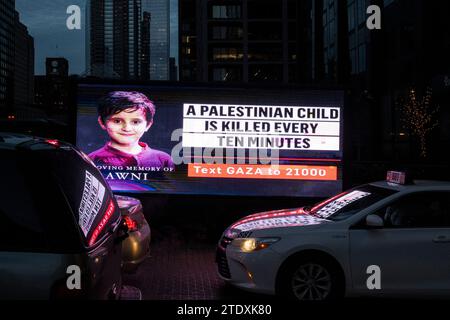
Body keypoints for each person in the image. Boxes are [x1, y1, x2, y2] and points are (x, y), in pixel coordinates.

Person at [88, 91, 174, 169]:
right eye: (117, 121)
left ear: (148, 125)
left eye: (136, 122)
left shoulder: (163, 159)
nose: (127, 128)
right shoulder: (91, 159)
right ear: (102, 122)